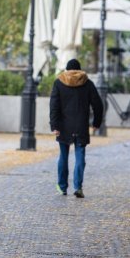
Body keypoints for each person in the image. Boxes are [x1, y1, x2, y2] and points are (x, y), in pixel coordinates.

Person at [49, 58, 103, 198]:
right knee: (80, 156)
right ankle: (78, 187)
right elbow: (98, 105)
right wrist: (96, 123)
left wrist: (54, 125)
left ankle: (62, 187)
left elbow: (54, 106)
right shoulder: (87, 83)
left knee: (63, 156)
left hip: (63, 125)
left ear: (66, 70)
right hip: (81, 125)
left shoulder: (59, 82)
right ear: (80, 70)